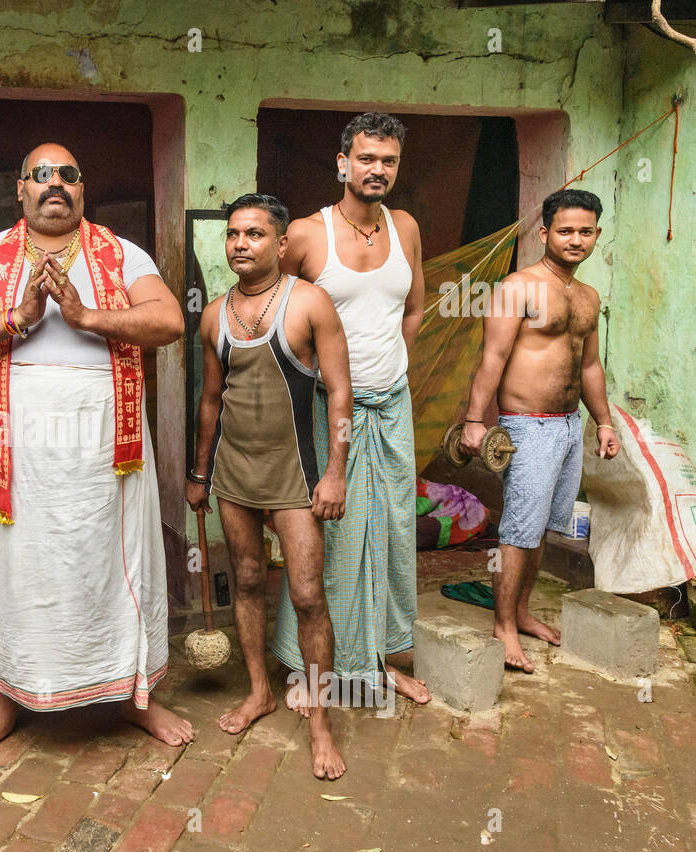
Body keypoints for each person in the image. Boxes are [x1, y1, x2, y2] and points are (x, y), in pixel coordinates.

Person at [0, 142, 191, 763]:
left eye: (66, 175)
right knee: (22, 572)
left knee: (117, 562)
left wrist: (86, 314)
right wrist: (19, 317)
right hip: (23, 456)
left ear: (81, 187)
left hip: (110, 448)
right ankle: (6, 700)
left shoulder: (123, 254)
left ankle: (132, 693)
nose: (54, 185)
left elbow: (170, 321)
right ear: (20, 189)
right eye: (40, 176)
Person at [187, 194, 353, 779]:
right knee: (249, 580)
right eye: (233, 234)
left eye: (254, 235)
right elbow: (211, 400)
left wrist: (335, 472)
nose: (240, 244)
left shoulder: (310, 303)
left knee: (308, 596)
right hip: (233, 473)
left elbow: (339, 394)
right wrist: (200, 474)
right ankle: (259, 691)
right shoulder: (212, 315)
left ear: (281, 244)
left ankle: (320, 723)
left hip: (296, 476)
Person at [277, 111, 431, 706]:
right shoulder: (307, 233)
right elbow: (275, 306)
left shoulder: (407, 228)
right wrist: (315, 375)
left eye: (388, 160)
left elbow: (413, 310)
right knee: (329, 537)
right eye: (366, 158)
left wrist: (388, 364)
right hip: (324, 407)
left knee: (391, 532)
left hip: (390, 405)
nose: (378, 170)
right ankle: (310, 669)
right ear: (343, 163)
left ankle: (384, 659)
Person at [460, 188, 618, 671]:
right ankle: (503, 625)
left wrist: (603, 421)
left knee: (545, 527)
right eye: (565, 230)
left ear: (595, 235)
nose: (576, 240)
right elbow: (492, 359)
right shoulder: (517, 287)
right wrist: (473, 420)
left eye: (585, 231)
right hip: (526, 427)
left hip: (570, 427)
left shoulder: (588, 297)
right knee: (519, 531)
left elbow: (590, 366)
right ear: (545, 233)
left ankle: (523, 613)